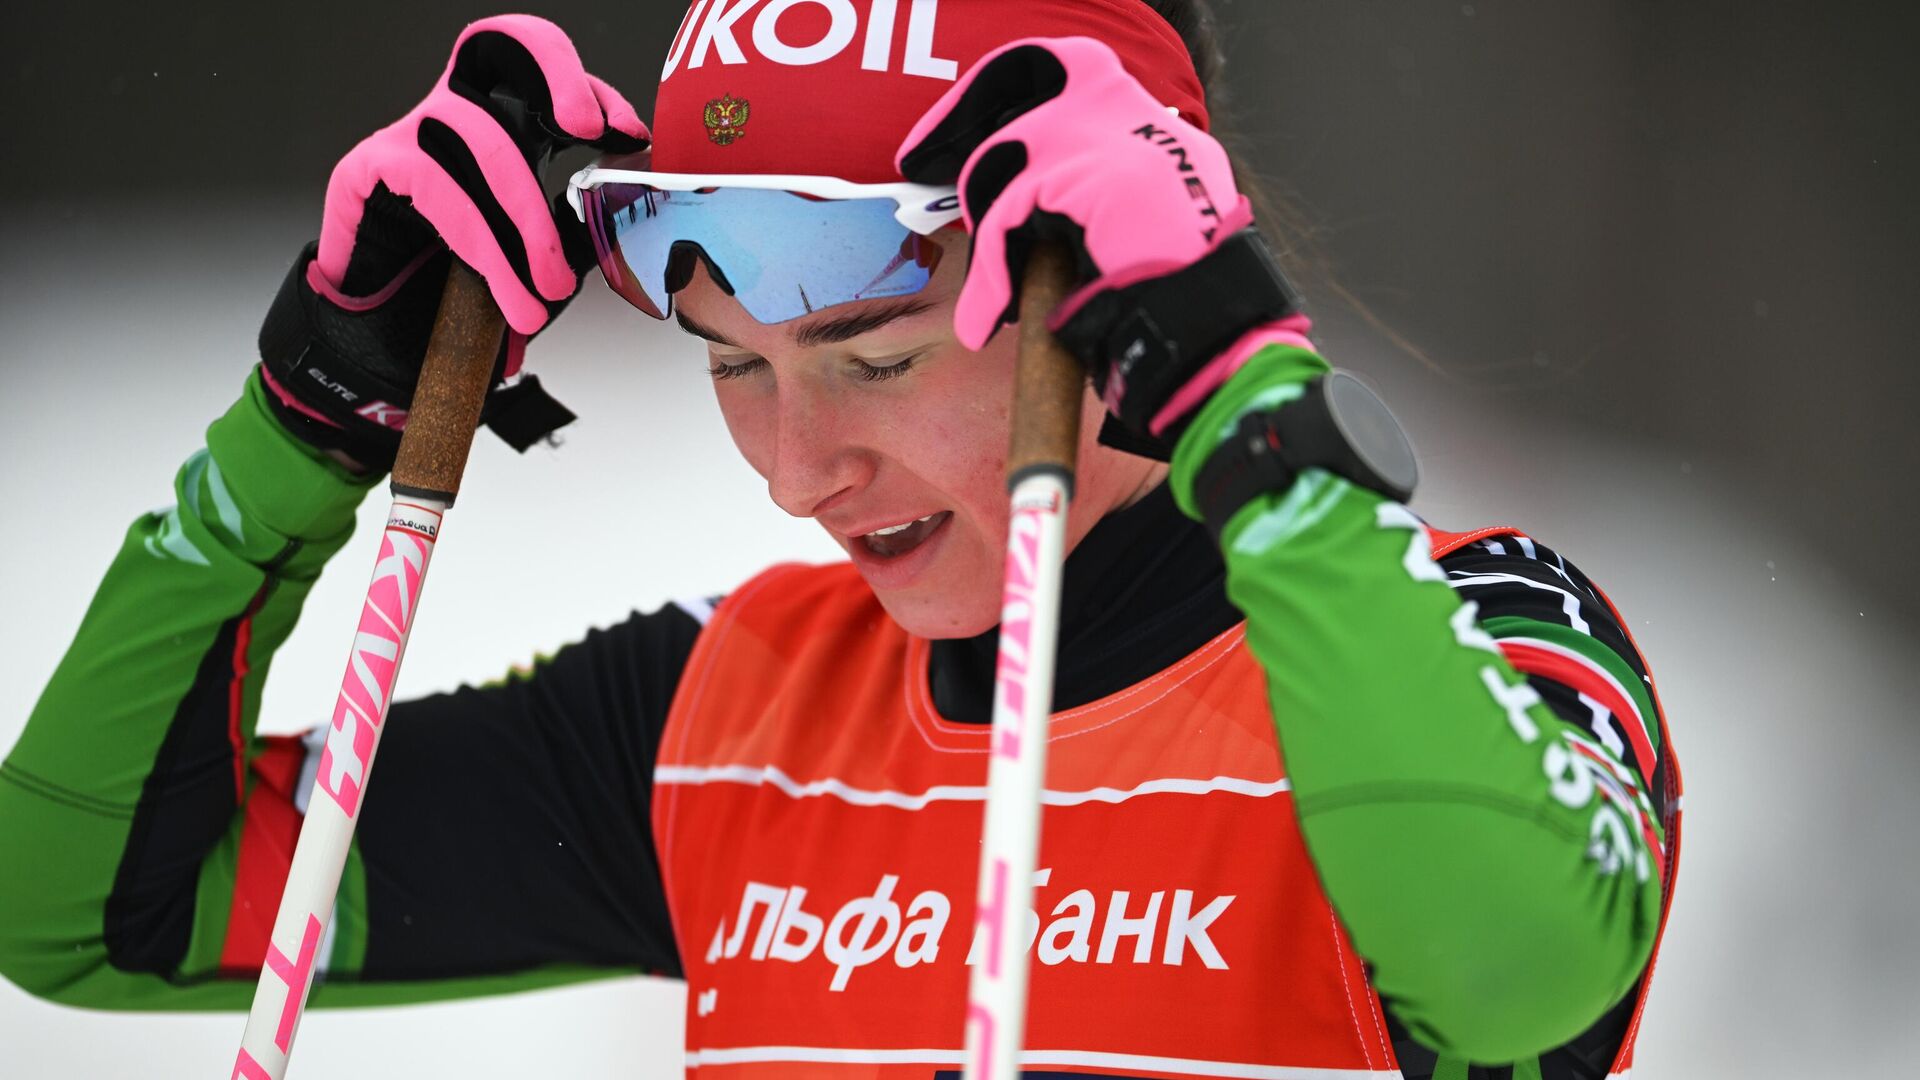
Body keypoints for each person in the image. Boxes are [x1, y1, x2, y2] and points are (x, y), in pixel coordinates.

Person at [0, 3, 1682, 1078]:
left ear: (1114, 271)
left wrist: (1253, 400)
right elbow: (89, 909)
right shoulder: (730, 716)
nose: (798, 471)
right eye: (734, 364)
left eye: (873, 358)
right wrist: (304, 426)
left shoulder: (1467, 626)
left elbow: (1518, 973)